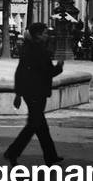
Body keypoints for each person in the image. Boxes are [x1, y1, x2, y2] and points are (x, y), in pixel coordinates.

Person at [4, 22, 64, 166]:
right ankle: (12, 152)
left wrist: (18, 93)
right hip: (37, 92)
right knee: (33, 125)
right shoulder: (39, 51)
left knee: (40, 126)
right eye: (44, 33)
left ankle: (50, 156)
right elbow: (47, 72)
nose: (46, 35)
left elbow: (20, 72)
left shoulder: (28, 48)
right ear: (37, 34)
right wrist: (59, 67)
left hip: (30, 92)